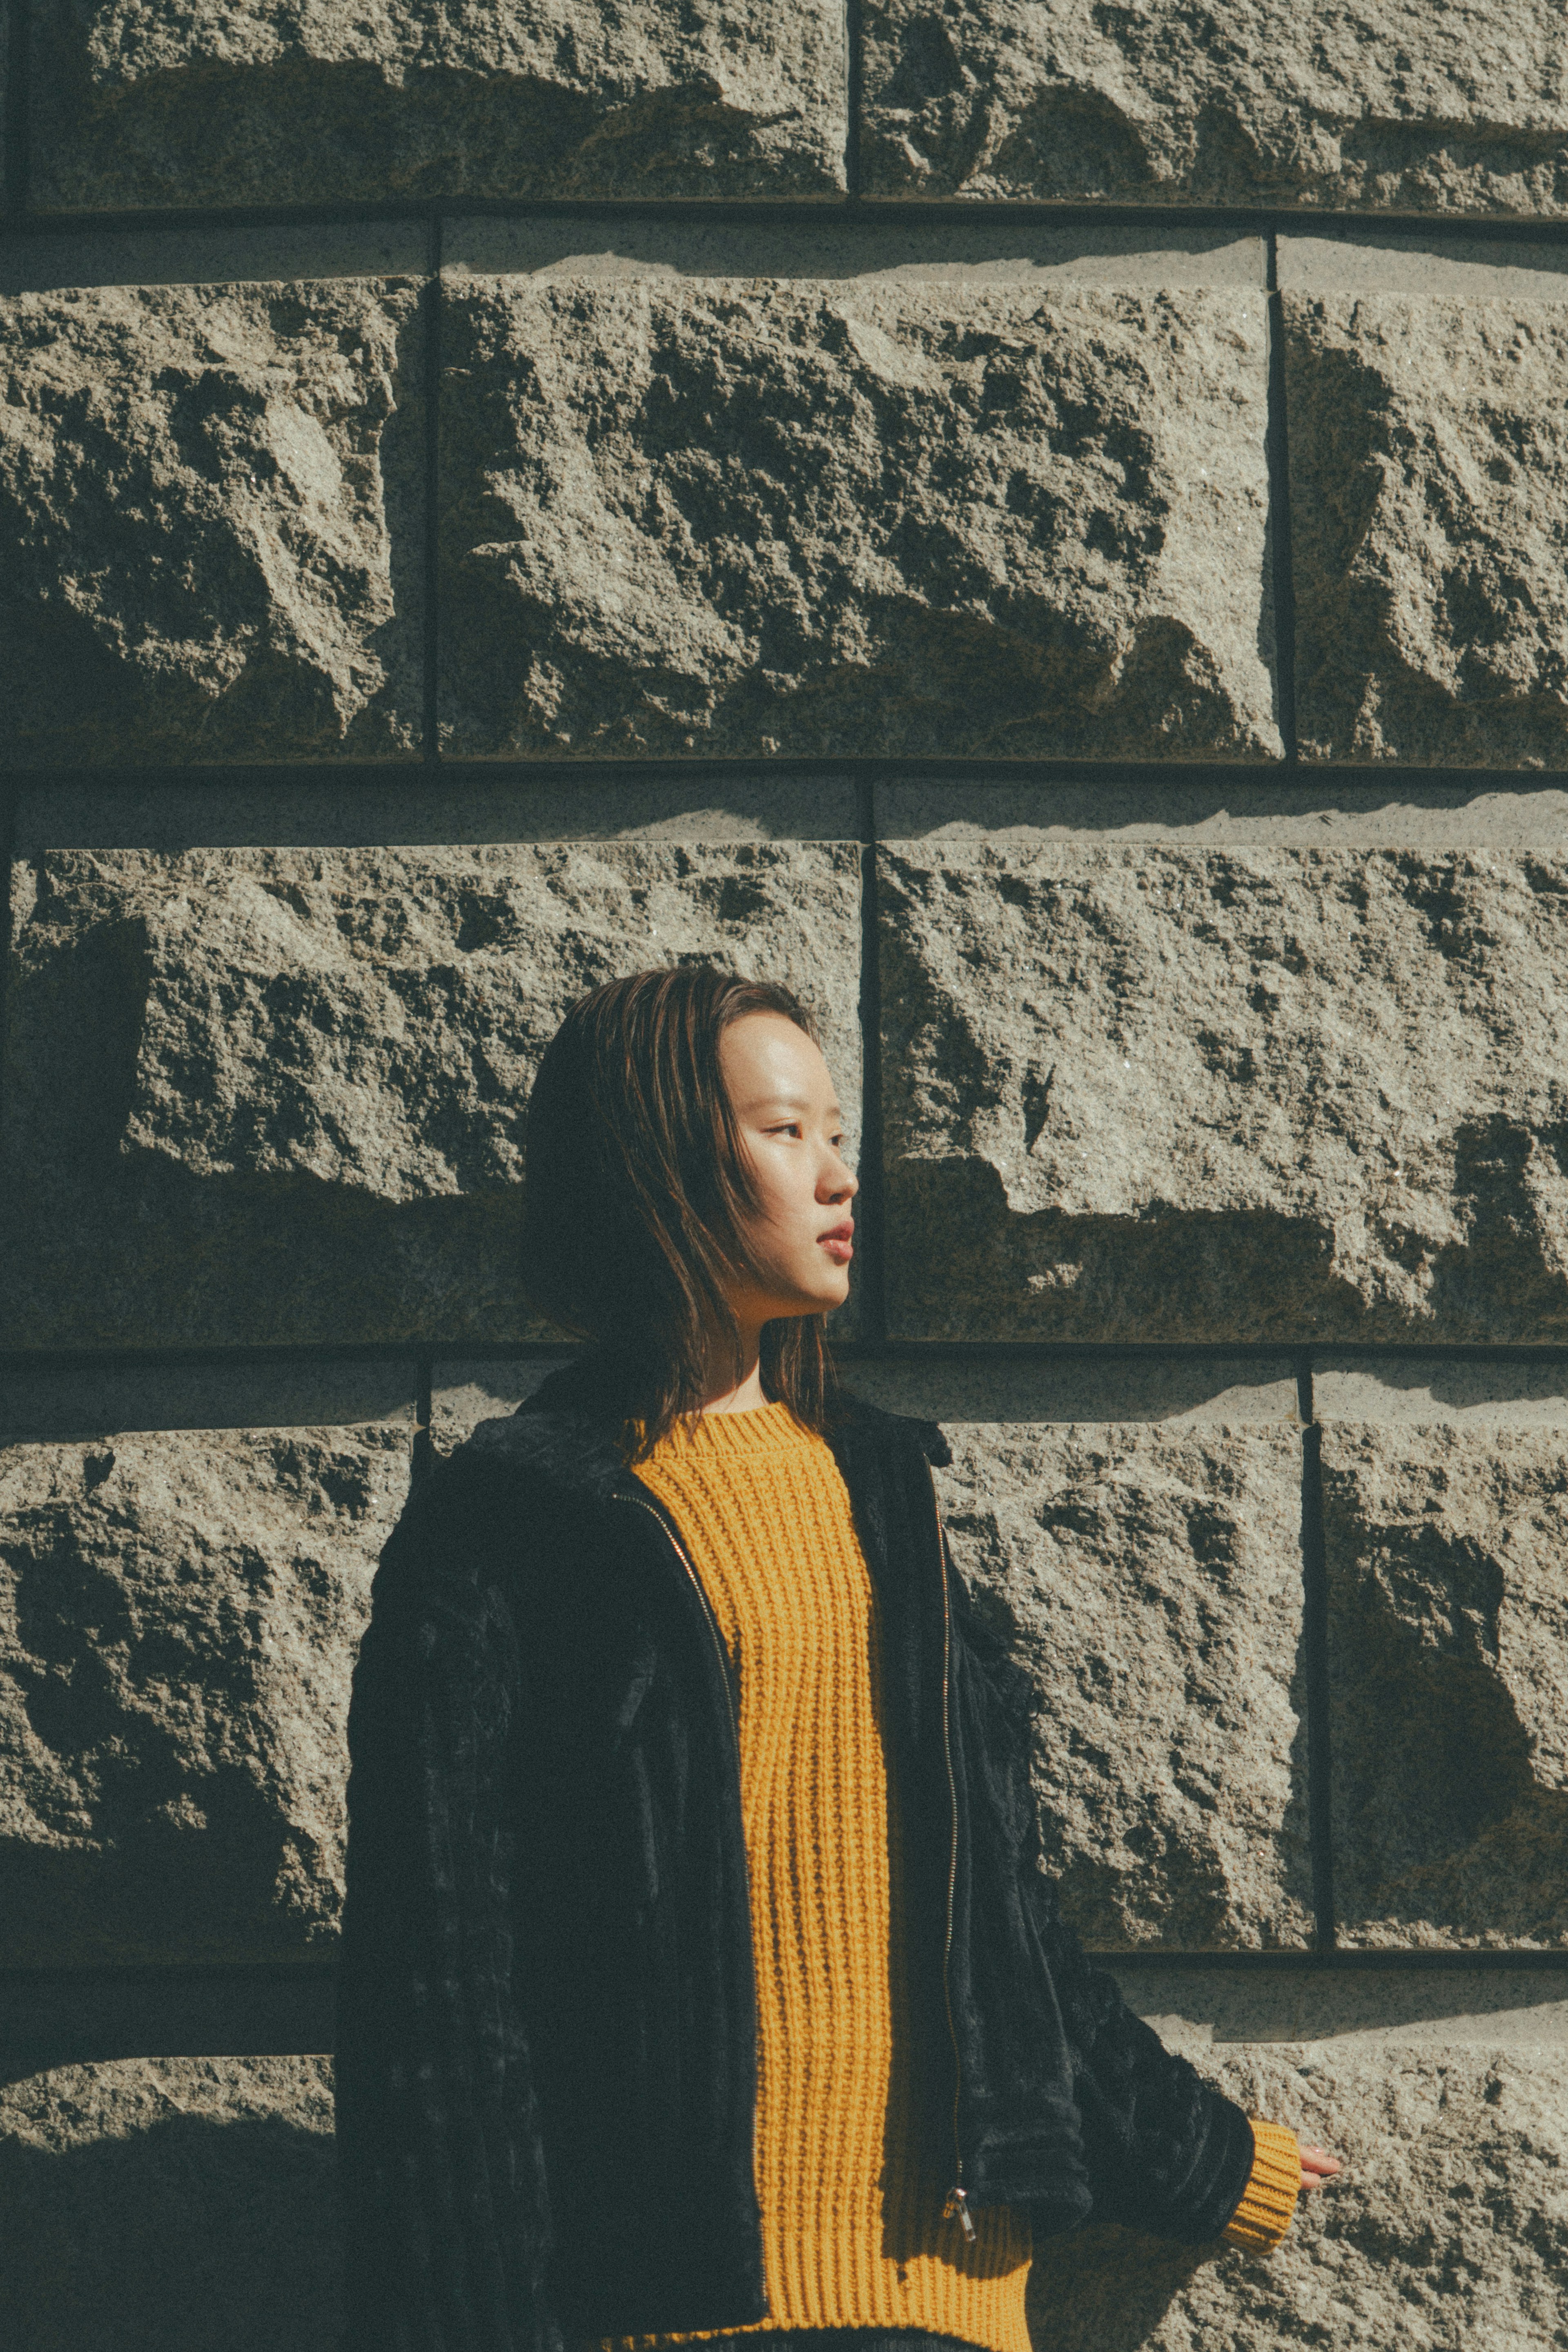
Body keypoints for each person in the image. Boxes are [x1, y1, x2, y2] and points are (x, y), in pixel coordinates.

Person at [334, 963, 1339, 2352]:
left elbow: (996, 1914)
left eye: (834, 1133)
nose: (836, 1175)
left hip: (955, 2298)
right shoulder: (519, 1516)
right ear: (661, 1166)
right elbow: (442, 1981)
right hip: (678, 2310)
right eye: (784, 1131)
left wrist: (1206, 2159)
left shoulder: (881, 1489)